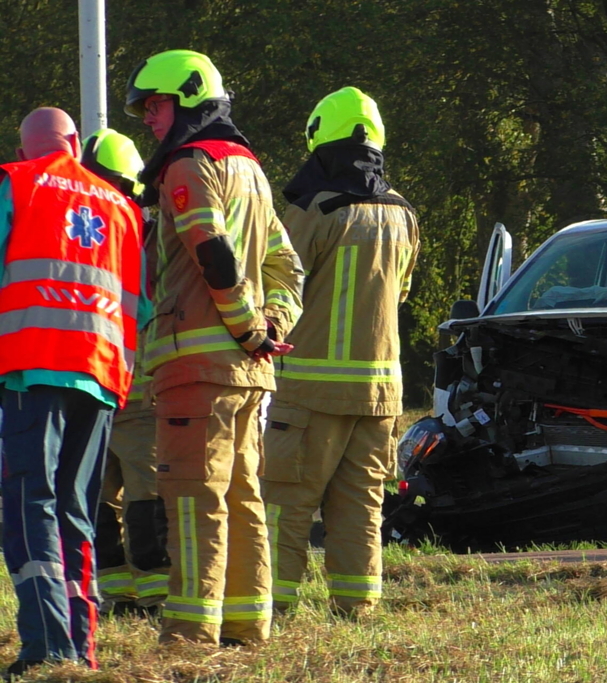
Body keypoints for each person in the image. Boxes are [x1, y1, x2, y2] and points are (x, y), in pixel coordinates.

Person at [124, 49, 304, 646]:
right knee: (244, 497)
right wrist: (271, 326)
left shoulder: (188, 164)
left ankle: (189, 630)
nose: (148, 119)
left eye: (156, 105)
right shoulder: (249, 168)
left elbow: (212, 251)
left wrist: (251, 328)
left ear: (190, 98)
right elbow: (287, 264)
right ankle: (249, 625)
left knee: (192, 497)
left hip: (199, 368)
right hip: (249, 374)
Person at [261, 87, 419, 618]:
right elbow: (399, 294)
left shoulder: (315, 209)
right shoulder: (403, 215)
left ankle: (270, 612)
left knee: (285, 508)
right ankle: (356, 610)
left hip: (309, 392)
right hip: (380, 398)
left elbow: (277, 283)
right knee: (360, 510)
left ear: (318, 138)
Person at [0, 108, 145, 677]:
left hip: (32, 367)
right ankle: (80, 646)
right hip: (103, 373)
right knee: (75, 509)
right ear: (75, 145)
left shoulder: (15, 182)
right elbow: (143, 302)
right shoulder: (122, 207)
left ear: (27, 146)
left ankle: (47, 645)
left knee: (27, 501)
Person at [81, 128, 170, 617]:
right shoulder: (143, 233)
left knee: (100, 493)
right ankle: (154, 594)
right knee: (145, 494)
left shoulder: (74, 229)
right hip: (138, 385)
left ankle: (118, 593)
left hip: (91, 381)